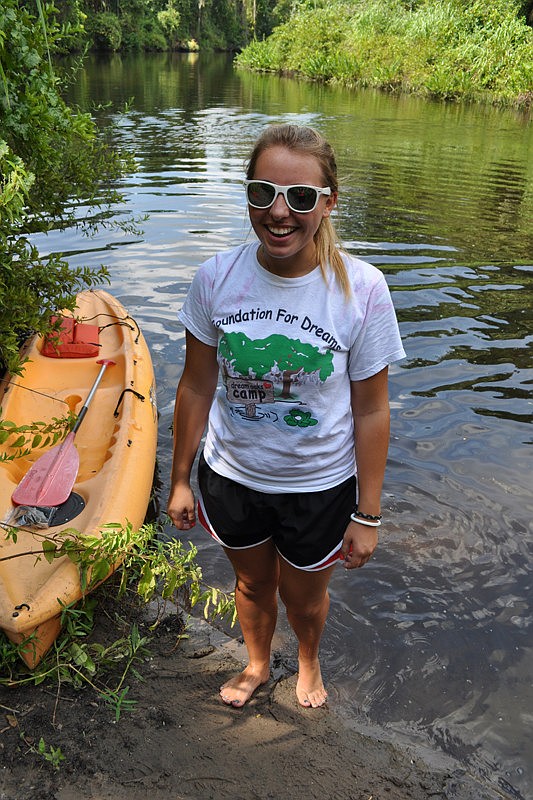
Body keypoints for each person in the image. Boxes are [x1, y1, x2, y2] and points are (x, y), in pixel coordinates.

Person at [167, 123, 405, 709]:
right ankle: (253, 664)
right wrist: (178, 478)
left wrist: (368, 514)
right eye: (262, 193)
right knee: (251, 583)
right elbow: (196, 386)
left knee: (302, 597)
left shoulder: (363, 290)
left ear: (328, 203)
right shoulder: (216, 278)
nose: (279, 212)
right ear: (247, 193)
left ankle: (306, 659)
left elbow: (372, 409)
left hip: (319, 487)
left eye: (300, 198)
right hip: (231, 477)